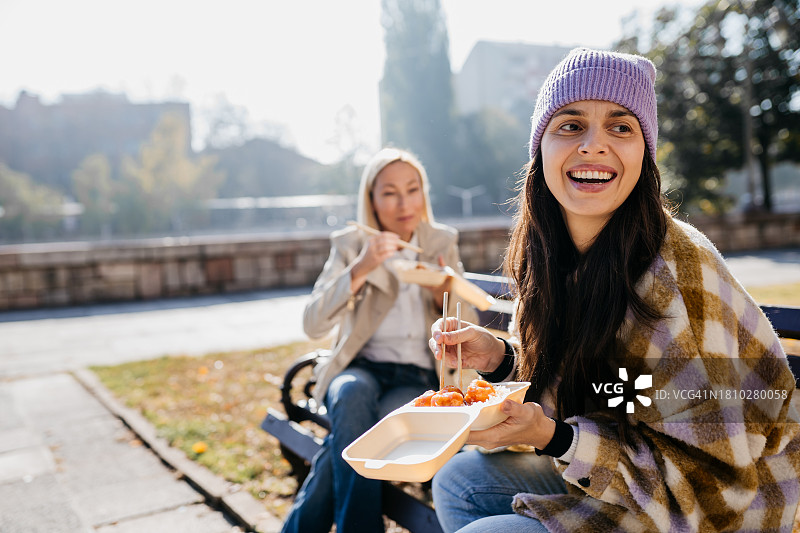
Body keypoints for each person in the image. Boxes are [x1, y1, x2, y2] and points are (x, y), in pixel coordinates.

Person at [429, 47, 800, 533]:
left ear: (644, 152)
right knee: (458, 481)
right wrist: (500, 358)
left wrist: (555, 438)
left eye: (621, 127)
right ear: (540, 148)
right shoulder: (559, 253)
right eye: (570, 125)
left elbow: (714, 483)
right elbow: (607, 389)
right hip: (639, 480)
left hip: (726, 509)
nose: (593, 146)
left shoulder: (674, 273)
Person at [281, 147, 478, 533]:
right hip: (361, 369)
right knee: (351, 394)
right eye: (389, 192)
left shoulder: (439, 242)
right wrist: (361, 268)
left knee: (356, 438)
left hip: (416, 376)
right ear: (371, 198)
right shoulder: (353, 245)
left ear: (424, 193)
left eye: (413, 189)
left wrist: (443, 293)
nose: (404, 204)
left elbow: (467, 326)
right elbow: (313, 324)